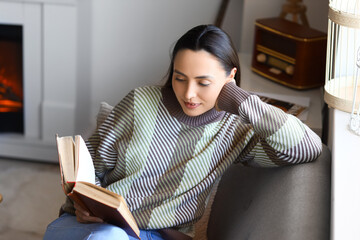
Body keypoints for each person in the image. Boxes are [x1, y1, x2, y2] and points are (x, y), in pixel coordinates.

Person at [44, 24, 322, 240]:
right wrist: (81, 203)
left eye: (203, 82)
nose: (188, 94)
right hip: (93, 225)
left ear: (230, 77)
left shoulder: (236, 129)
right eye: (180, 78)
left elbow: (307, 148)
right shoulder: (140, 102)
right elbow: (90, 164)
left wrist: (241, 100)